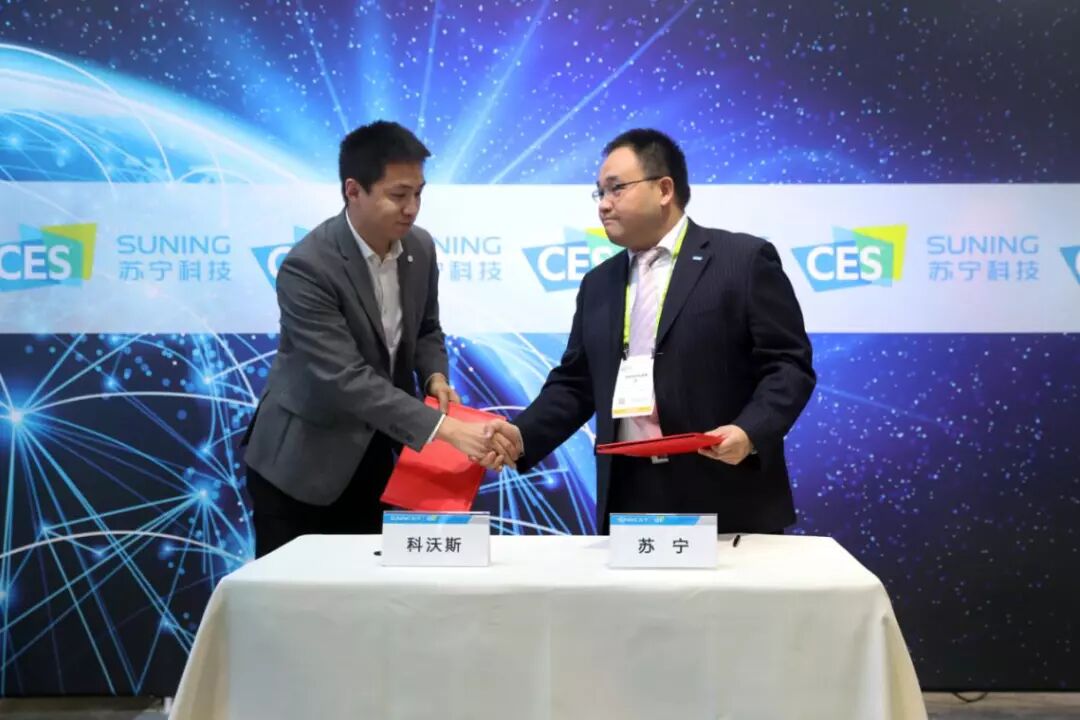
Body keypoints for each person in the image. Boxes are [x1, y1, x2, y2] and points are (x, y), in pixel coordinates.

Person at [487, 128, 815, 534]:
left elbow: (788, 365)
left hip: (724, 490)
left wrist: (750, 432)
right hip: (629, 494)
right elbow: (576, 383)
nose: (603, 204)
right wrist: (520, 436)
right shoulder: (599, 283)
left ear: (663, 189)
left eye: (616, 188)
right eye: (599, 193)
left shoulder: (742, 261)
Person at [243, 120, 507, 557]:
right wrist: (446, 431)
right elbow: (344, 378)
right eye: (398, 195)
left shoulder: (419, 248)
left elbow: (426, 328)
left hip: (381, 455)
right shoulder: (308, 267)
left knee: (371, 589)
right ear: (353, 190)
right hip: (302, 466)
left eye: (418, 193)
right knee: (298, 594)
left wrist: (435, 376)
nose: (412, 208)